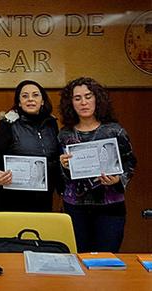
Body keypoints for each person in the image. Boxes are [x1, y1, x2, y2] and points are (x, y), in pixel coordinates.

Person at [58, 77, 137, 253]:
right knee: (77, 259)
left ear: (97, 99)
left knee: (105, 263)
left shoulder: (114, 130)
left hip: (109, 208)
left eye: (88, 96)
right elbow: (61, 176)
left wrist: (118, 180)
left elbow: (130, 162)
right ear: (70, 103)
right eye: (77, 98)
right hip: (75, 208)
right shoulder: (64, 134)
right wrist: (63, 166)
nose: (83, 102)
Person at [0, 80, 61, 212]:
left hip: (43, 197)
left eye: (35, 95)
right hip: (12, 198)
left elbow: (56, 157)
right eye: (25, 96)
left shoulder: (51, 124)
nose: (30, 99)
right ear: (19, 102)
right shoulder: (8, 124)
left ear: (43, 101)